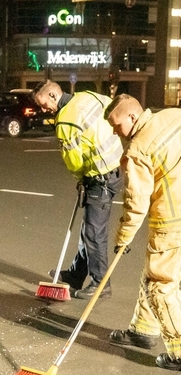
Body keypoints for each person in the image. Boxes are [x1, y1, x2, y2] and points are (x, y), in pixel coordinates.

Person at [104, 94, 181, 371]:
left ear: (132, 117)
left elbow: (136, 203)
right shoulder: (173, 116)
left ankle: (179, 351)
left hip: (171, 222)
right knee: (155, 275)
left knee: (159, 285)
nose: (115, 132)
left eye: (116, 126)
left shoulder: (138, 149)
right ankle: (143, 331)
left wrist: (122, 239)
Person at [33, 80, 123, 299]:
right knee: (89, 228)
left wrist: (81, 178)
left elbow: (74, 161)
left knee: (94, 232)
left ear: (53, 96)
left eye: (44, 104)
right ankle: (75, 274)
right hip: (115, 167)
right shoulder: (88, 96)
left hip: (98, 176)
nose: (44, 110)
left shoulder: (65, 120)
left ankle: (101, 283)